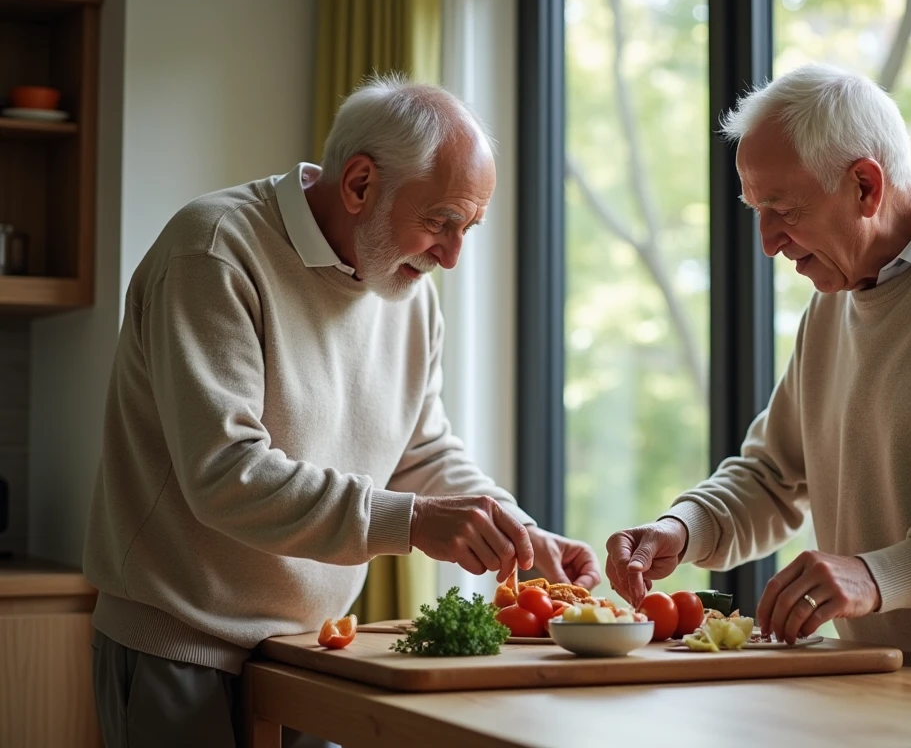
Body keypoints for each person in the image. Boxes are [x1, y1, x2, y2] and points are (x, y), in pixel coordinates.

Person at [83, 74, 601, 747]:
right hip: (180, 645)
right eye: (441, 221)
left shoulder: (407, 291)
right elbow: (225, 474)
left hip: (312, 652)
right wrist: (414, 522)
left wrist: (520, 534)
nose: (452, 256)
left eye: (468, 228)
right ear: (359, 184)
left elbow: (421, 452)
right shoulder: (213, 250)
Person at [606, 63, 911, 694]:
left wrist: (877, 576)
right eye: (756, 210)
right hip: (881, 677)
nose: (767, 242)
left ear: (866, 186)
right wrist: (682, 529)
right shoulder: (833, 301)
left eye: (782, 209)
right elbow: (772, 474)